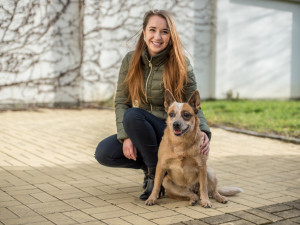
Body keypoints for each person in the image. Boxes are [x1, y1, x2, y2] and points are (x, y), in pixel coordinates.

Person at [95, 9, 211, 200]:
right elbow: (121, 101)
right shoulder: (130, 60)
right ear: (144, 32)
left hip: (170, 130)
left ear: (170, 35)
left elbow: (194, 104)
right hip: (141, 128)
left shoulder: (181, 62)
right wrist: (126, 137)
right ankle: (156, 168)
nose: (157, 37)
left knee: (133, 115)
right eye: (152, 30)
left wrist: (204, 132)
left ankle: (152, 178)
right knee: (104, 153)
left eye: (164, 32)